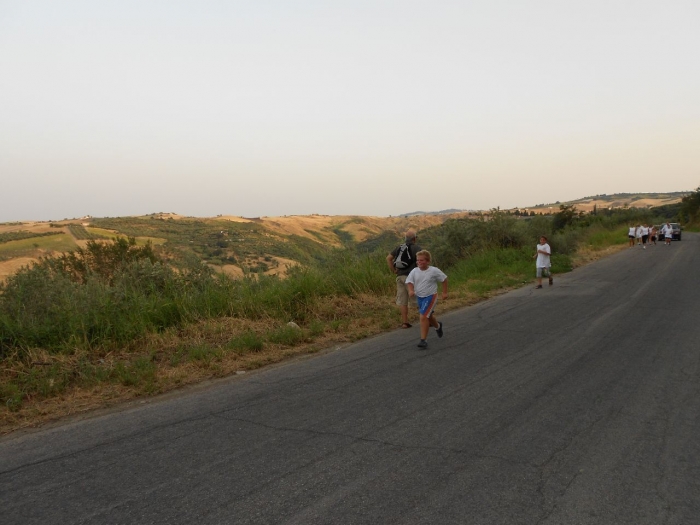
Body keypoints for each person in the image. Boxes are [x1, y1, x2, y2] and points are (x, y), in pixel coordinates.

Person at [406, 250, 448, 349]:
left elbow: (444, 279)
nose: (419, 262)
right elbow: (409, 282)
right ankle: (438, 326)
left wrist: (445, 292)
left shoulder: (434, 271)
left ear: (428, 261)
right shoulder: (414, 271)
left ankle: (423, 340)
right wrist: (411, 290)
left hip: (431, 296)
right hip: (420, 297)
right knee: (428, 316)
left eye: (421, 260)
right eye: (417, 260)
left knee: (423, 316)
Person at [387, 229, 421, 328]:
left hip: (399, 277)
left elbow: (388, 258)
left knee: (403, 301)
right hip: (411, 278)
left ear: (405, 239)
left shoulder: (398, 247)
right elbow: (421, 261)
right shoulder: (417, 248)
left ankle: (405, 322)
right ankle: (427, 319)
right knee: (419, 299)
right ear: (414, 239)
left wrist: (394, 270)